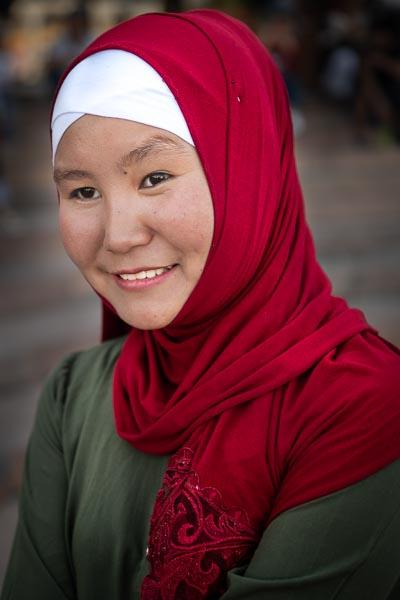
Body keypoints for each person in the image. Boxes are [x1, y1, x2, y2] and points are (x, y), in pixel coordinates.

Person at [2, 9, 400, 600]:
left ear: (247, 172)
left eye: (154, 177)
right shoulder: (74, 393)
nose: (118, 235)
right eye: (83, 191)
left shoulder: (361, 406)